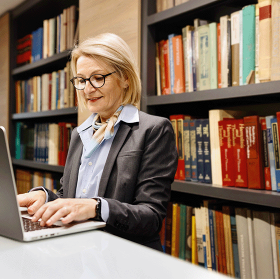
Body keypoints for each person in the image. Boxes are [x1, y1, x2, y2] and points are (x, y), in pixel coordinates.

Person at [17, 33, 178, 250]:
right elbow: (71, 197)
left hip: (124, 257)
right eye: (81, 80)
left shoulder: (153, 130)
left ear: (125, 78)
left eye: (98, 78)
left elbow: (151, 217)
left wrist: (96, 207)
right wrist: (44, 197)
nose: (88, 89)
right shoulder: (79, 133)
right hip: (78, 253)